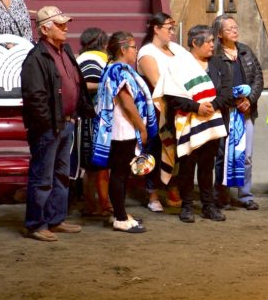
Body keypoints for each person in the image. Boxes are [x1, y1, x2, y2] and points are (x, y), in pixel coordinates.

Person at [20, 6, 93, 242]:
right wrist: (49, 125)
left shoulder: (65, 50)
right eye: (60, 25)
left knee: (61, 175)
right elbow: (35, 98)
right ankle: (37, 224)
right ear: (45, 28)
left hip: (66, 123)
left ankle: (55, 219)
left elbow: (75, 83)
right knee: (43, 177)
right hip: (50, 127)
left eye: (65, 24)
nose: (66, 28)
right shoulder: (36, 58)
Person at [89, 31, 155, 234]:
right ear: (123, 49)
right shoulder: (118, 71)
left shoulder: (114, 69)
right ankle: (120, 217)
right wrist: (142, 127)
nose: (136, 51)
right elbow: (127, 103)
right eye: (134, 47)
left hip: (120, 130)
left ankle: (120, 212)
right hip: (122, 130)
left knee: (121, 174)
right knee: (119, 175)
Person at [165, 25, 231, 223]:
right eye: (209, 41)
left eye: (213, 41)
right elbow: (172, 94)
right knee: (187, 166)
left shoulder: (218, 63)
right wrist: (196, 107)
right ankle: (186, 206)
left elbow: (227, 91)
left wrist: (212, 105)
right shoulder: (179, 65)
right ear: (195, 43)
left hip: (213, 122)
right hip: (187, 122)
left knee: (207, 166)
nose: (213, 45)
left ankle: (208, 206)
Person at [209, 15, 264, 210]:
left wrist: (249, 99)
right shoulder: (214, 55)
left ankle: (245, 195)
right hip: (224, 112)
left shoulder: (245, 51)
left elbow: (258, 77)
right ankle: (221, 196)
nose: (234, 30)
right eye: (229, 28)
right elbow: (214, 85)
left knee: (246, 156)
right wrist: (231, 100)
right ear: (219, 34)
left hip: (245, 111)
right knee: (222, 156)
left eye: (235, 27)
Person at [136, 13, 184, 213]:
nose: (172, 33)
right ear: (156, 28)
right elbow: (157, 83)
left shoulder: (175, 50)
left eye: (173, 29)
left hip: (178, 105)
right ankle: (152, 193)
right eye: (168, 28)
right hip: (156, 109)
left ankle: (172, 186)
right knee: (154, 149)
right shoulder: (147, 51)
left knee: (176, 149)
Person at [76, 28, 111, 219]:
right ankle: (99, 205)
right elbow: (87, 85)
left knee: (91, 167)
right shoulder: (92, 60)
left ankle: (92, 204)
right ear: (103, 44)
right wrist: (109, 83)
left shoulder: (84, 58)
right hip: (93, 119)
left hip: (88, 118)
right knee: (97, 165)